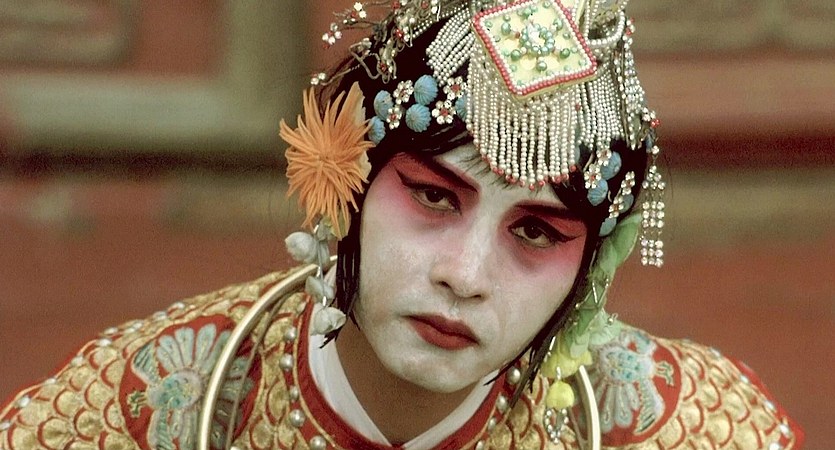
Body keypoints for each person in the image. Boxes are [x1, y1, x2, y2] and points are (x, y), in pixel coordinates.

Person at [0, 1, 803, 449]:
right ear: (344, 174)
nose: (465, 274)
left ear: (590, 267)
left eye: (535, 233)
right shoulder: (143, 409)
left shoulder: (685, 429)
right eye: (433, 198)